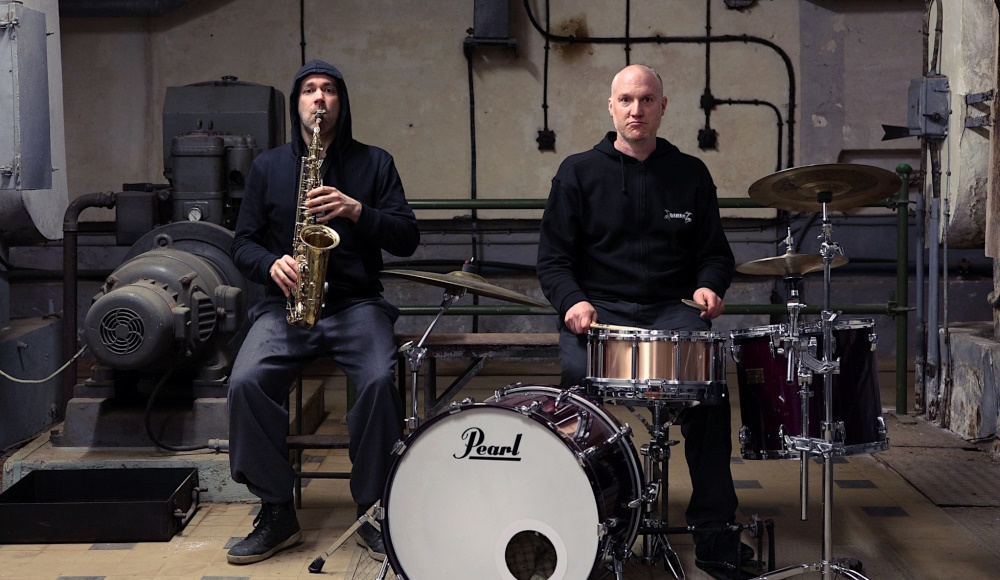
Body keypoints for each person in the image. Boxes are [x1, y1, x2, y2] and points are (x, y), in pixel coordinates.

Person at [536, 64, 749, 579]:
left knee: (709, 393)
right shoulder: (577, 172)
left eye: (647, 99)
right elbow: (553, 260)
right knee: (575, 394)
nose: (637, 110)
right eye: (627, 100)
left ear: (663, 107)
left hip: (672, 309)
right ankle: (582, 522)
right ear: (611, 107)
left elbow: (715, 254)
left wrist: (710, 286)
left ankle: (715, 536)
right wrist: (572, 302)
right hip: (600, 311)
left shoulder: (690, 174)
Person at [226, 59, 419, 565]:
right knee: (244, 383)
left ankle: (372, 508)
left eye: (328, 90)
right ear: (297, 103)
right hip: (286, 304)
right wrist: (271, 264)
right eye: (309, 90)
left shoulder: (375, 163)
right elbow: (242, 244)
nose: (319, 98)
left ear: (341, 102)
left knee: (377, 380)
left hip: (357, 304)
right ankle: (276, 510)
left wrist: (358, 210)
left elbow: (407, 236)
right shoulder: (269, 167)